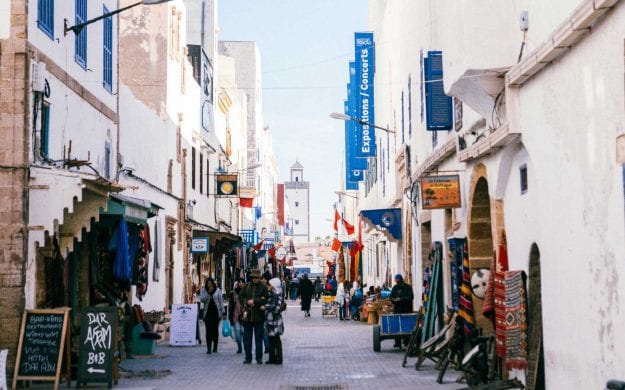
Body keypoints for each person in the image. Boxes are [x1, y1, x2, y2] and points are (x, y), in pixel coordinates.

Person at [239, 269, 268, 364]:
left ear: (259, 278)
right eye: (253, 277)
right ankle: (248, 357)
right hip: (247, 317)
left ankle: (259, 358)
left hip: (259, 316)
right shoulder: (247, 286)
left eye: (256, 277)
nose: (255, 279)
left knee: (258, 339)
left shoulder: (263, 288)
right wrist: (247, 302)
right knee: (247, 339)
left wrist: (255, 301)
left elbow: (266, 299)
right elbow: (240, 297)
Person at [200, 278, 225, 354]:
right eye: (208, 283)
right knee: (208, 331)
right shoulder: (204, 290)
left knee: (215, 331)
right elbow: (202, 300)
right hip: (207, 314)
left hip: (216, 313)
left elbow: (221, 302)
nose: (209, 285)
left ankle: (215, 346)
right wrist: (208, 293)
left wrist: (223, 312)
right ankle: (209, 348)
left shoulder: (218, 290)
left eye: (210, 283)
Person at [263, 277, 284, 364]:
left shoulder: (277, 296)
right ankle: (272, 358)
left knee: (276, 340)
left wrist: (266, 307)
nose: (269, 286)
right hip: (270, 321)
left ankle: (278, 358)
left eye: (270, 285)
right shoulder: (271, 294)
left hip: (275, 321)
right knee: (271, 339)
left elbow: (277, 308)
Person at [390, 274, 414, 347]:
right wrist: (393, 300)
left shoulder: (408, 287)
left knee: (406, 325)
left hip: (406, 309)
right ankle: (397, 342)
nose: (397, 282)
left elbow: (410, 297)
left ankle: (406, 341)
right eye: (396, 280)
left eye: (398, 280)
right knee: (397, 325)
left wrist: (401, 299)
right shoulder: (395, 288)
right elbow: (391, 297)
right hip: (397, 310)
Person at [228, 278, 245, 354]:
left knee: (243, 331)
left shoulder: (247, 292)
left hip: (245, 316)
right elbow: (230, 306)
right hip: (236, 316)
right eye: (239, 282)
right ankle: (240, 347)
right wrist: (230, 317)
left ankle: (246, 346)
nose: (240, 284)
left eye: (242, 282)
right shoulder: (233, 293)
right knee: (238, 333)